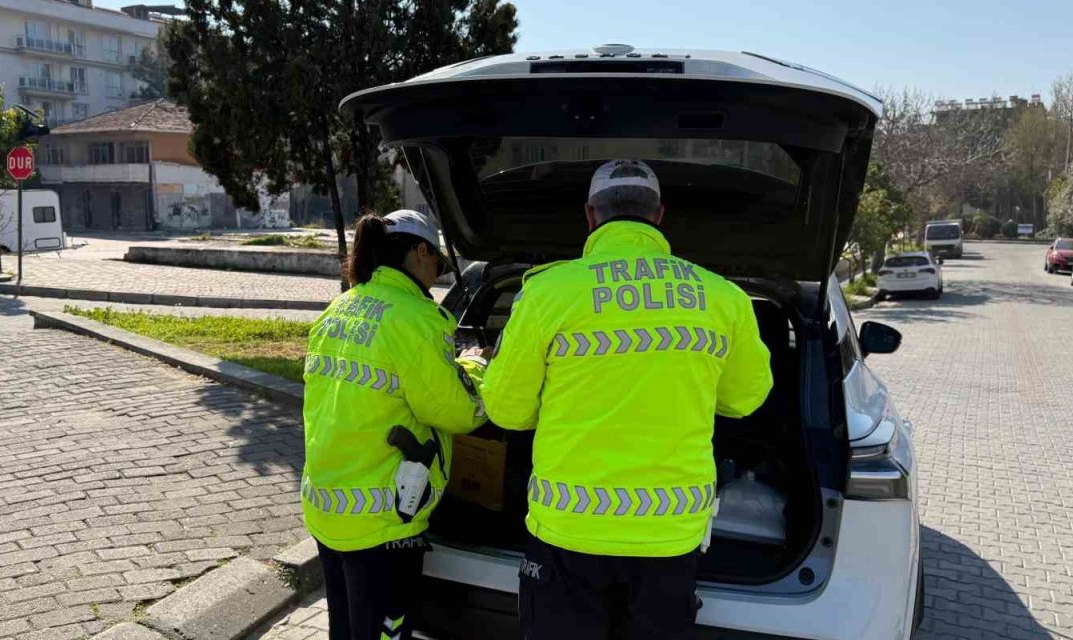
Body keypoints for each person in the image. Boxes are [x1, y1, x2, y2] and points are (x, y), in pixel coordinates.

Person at [481, 160, 774, 639]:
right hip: (670, 538)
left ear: (590, 216)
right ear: (659, 215)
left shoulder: (548, 293)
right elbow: (746, 399)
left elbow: (507, 410)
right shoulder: (724, 298)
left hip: (567, 534)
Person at [302, 209, 489, 640]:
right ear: (421, 252)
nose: (438, 275)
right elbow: (458, 411)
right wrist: (477, 369)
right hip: (382, 520)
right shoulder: (415, 319)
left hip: (328, 505)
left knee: (347, 631)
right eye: (439, 264)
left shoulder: (339, 309)